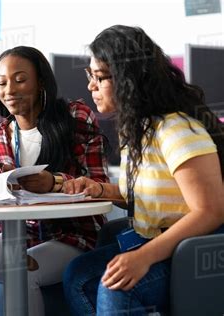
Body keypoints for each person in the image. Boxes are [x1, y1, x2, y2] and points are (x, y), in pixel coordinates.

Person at [62, 25, 224, 315]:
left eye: (99, 78)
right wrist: (97, 189)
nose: (90, 87)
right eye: (90, 77)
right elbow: (147, 196)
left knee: (116, 286)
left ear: (128, 79)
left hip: (185, 252)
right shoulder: (138, 129)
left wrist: (143, 257)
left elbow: (211, 211)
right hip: (156, 243)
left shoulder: (176, 129)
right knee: (78, 275)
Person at [0, 45, 110, 316]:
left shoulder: (75, 117)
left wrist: (54, 182)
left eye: (20, 79)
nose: (9, 90)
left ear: (40, 81)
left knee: (22, 270)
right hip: (23, 235)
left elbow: (98, 182)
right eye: (2, 83)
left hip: (74, 235)